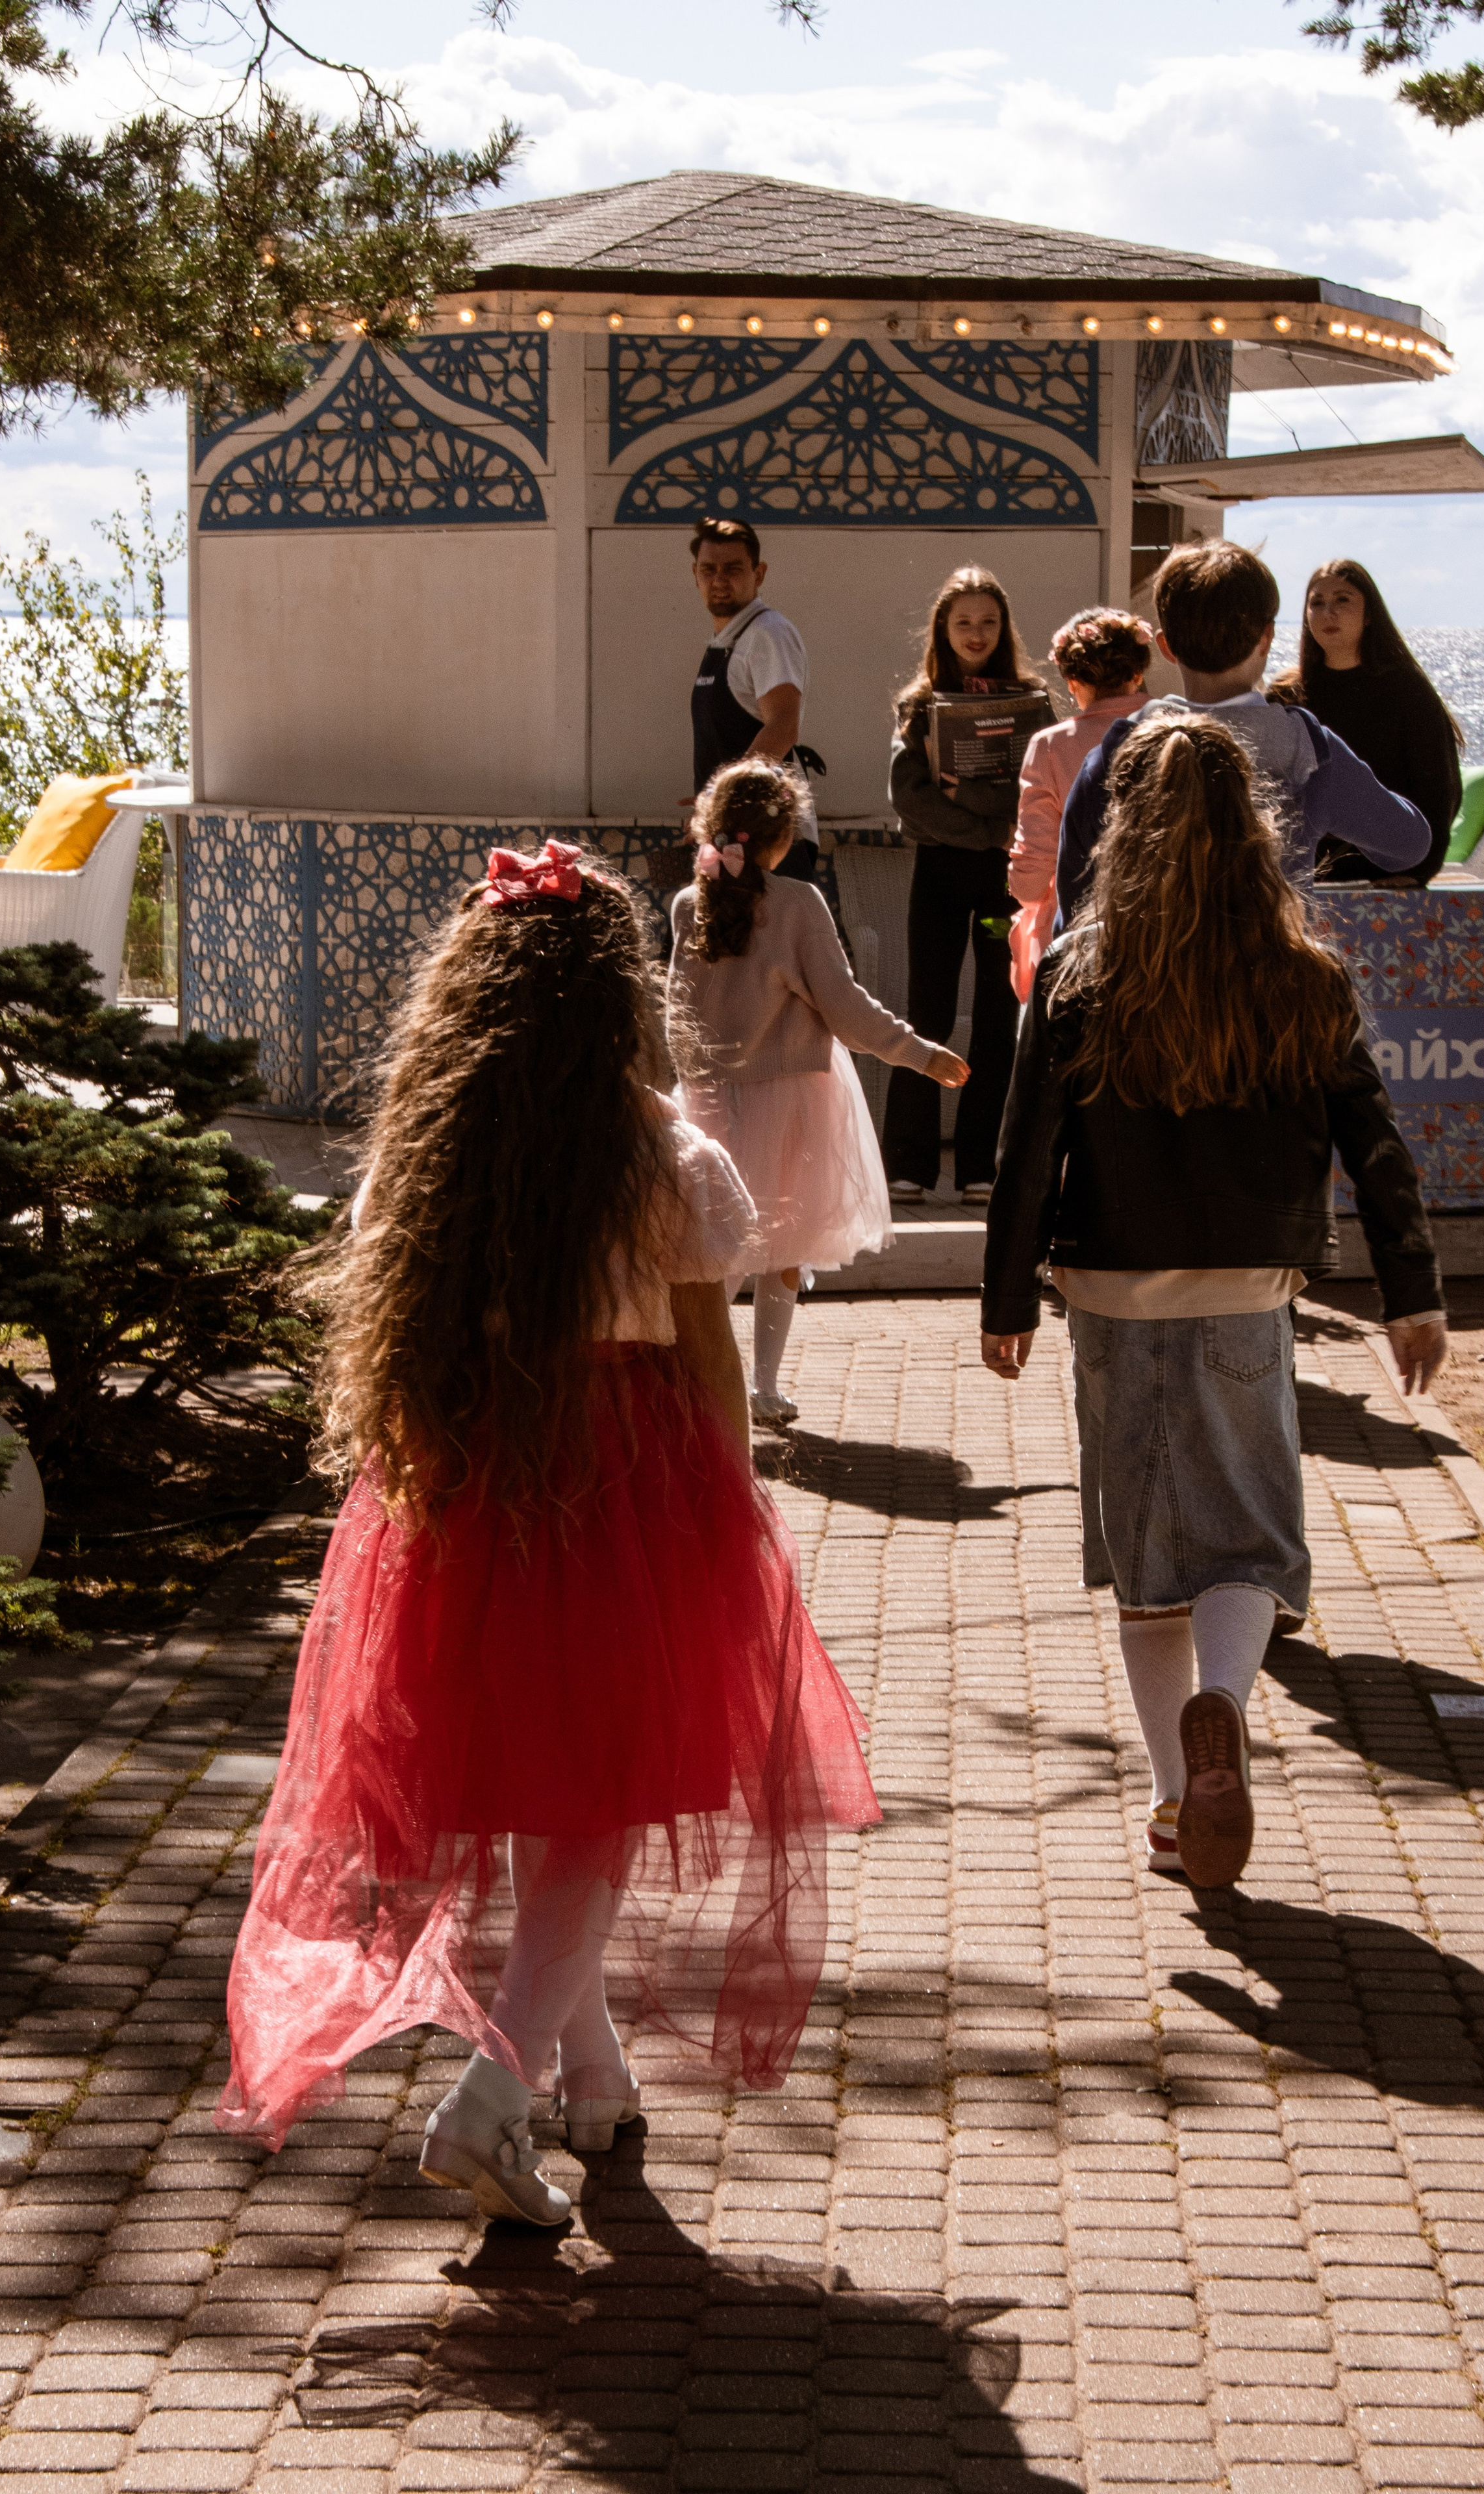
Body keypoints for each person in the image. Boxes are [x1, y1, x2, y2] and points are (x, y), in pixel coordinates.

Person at [216, 839, 881, 2220]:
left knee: (546, 1776)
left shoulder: (429, 1160)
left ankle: (591, 2074)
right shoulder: (664, 1156)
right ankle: (493, 2092)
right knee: (602, 1797)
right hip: (626, 1487)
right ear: (616, 1002)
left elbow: (394, 1353)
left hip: (475, 1488)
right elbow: (704, 1353)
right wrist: (729, 1517)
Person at [982, 714, 1446, 1889]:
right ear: (1256, 829)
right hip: (1250, 1288)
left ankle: (1171, 1801)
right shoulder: (1304, 971)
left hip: (1112, 1291)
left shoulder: (1082, 973)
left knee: (1148, 1567)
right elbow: (1373, 1138)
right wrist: (1413, 1293)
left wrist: (1006, 1298)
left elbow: (1027, 1146)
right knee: (1251, 1539)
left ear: (1124, 830)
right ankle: (1225, 1704)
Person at [668, 760, 968, 1426]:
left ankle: (702, 1382)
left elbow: (675, 1010)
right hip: (792, 1097)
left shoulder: (691, 902)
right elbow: (844, 1006)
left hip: (712, 1097)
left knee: (719, 1246)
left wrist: (691, 1086)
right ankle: (764, 1389)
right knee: (783, 1244)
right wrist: (918, 1053)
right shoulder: (798, 902)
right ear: (781, 840)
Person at [1056, 541, 1430, 927]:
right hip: (1270, 981)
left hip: (1150, 983)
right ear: (1266, 638)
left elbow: (1073, 902)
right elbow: (1409, 844)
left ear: (1166, 646)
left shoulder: (1123, 747)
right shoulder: (1307, 748)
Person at [883, 566, 1055, 1205]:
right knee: (924, 1013)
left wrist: (973, 798)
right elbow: (909, 801)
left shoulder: (1032, 704)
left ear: (1003, 628)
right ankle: (910, 1165)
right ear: (943, 630)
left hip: (1003, 884)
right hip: (939, 876)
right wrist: (987, 822)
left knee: (994, 1014)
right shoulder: (918, 704)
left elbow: (1033, 794)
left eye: (987, 622)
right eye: (963, 623)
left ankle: (980, 1166)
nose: (975, 634)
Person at [1270, 557, 1463, 887]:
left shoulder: (1407, 690)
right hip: (1302, 879)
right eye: (1317, 603)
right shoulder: (1287, 695)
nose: (1328, 611)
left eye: (1342, 600)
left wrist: (1417, 872)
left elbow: (1439, 791)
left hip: (1385, 878)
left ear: (1370, 614)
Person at [1007, 608, 1152, 1004]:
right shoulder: (1177, 728)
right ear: (1138, 673)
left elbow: (1030, 878)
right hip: (1166, 930)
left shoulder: (1050, 747)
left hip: (1077, 939)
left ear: (1073, 681)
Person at [690, 516, 821, 881]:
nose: (719, 580)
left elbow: (782, 728)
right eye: (709, 569)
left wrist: (720, 798)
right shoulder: (727, 640)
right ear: (695, 575)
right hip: (732, 832)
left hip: (769, 837)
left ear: (759, 573)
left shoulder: (768, 633)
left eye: (733, 569)